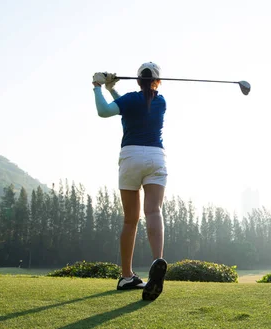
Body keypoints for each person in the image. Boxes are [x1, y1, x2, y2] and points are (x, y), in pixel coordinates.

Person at [92, 62, 168, 301]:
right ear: (157, 81)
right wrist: (112, 89)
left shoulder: (131, 100)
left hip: (131, 156)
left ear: (137, 81)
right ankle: (158, 261)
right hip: (156, 157)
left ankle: (127, 275)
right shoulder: (161, 101)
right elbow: (127, 105)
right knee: (154, 211)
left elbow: (106, 111)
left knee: (130, 220)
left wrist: (97, 86)